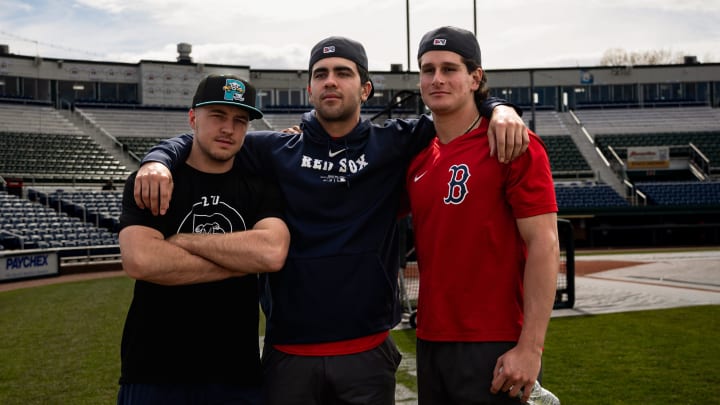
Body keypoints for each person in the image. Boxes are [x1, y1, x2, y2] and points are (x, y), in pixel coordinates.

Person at [132, 36, 529, 405]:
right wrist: (158, 158)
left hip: (367, 352)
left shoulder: (396, 142)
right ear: (310, 89)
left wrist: (501, 108)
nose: (331, 82)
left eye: (343, 73)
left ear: (366, 88)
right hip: (289, 352)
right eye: (320, 74)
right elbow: (209, 136)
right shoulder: (275, 149)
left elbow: (458, 110)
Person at [406, 26, 560, 404]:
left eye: (449, 68)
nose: (437, 79)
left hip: (494, 343)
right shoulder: (418, 158)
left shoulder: (512, 143)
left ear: (475, 77)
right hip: (430, 340)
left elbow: (544, 242)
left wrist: (531, 349)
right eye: (428, 70)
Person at [116, 74, 290, 405]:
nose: (229, 128)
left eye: (240, 120)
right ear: (193, 118)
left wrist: (183, 241)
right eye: (218, 116)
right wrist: (239, 262)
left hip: (236, 375)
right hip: (154, 372)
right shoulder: (154, 181)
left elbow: (270, 253)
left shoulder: (260, 187)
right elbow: (142, 260)